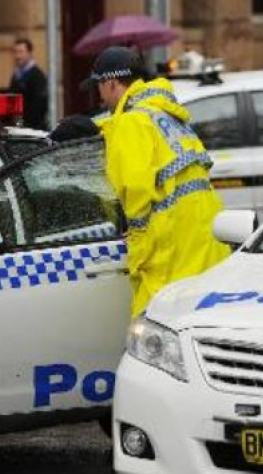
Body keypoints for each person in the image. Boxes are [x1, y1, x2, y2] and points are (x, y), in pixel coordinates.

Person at [84, 46, 230, 318]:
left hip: (168, 253)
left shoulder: (131, 123)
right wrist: (97, 127)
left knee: (152, 333)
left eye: (98, 87)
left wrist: (138, 251)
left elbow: (134, 191)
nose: (100, 96)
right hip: (205, 240)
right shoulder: (163, 113)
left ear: (111, 83)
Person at [8, 39, 49, 131]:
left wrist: (27, 125)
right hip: (19, 126)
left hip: (33, 129)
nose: (17, 56)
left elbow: (39, 105)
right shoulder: (16, 74)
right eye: (15, 52)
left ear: (29, 53)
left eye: (21, 52)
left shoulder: (37, 75)